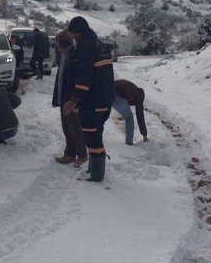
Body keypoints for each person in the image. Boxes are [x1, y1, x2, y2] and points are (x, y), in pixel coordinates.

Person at [63, 16, 114, 182]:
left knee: (92, 137)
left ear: (77, 32)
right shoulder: (98, 45)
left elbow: (84, 79)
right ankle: (93, 170)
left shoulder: (86, 47)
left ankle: (96, 175)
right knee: (94, 134)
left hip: (94, 102)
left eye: (72, 34)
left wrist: (73, 100)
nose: (71, 37)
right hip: (102, 100)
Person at [52, 30, 87, 167]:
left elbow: (78, 79)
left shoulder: (74, 56)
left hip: (71, 100)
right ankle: (70, 154)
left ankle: (82, 155)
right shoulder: (64, 55)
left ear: (63, 43)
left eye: (57, 42)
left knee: (74, 129)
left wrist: (74, 100)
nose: (56, 46)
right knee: (67, 128)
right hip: (63, 99)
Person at [113, 79, 149, 145]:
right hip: (116, 96)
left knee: (103, 113)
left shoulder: (132, 88)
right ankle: (129, 143)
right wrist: (145, 135)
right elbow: (140, 116)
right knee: (129, 118)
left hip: (106, 93)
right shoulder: (139, 97)